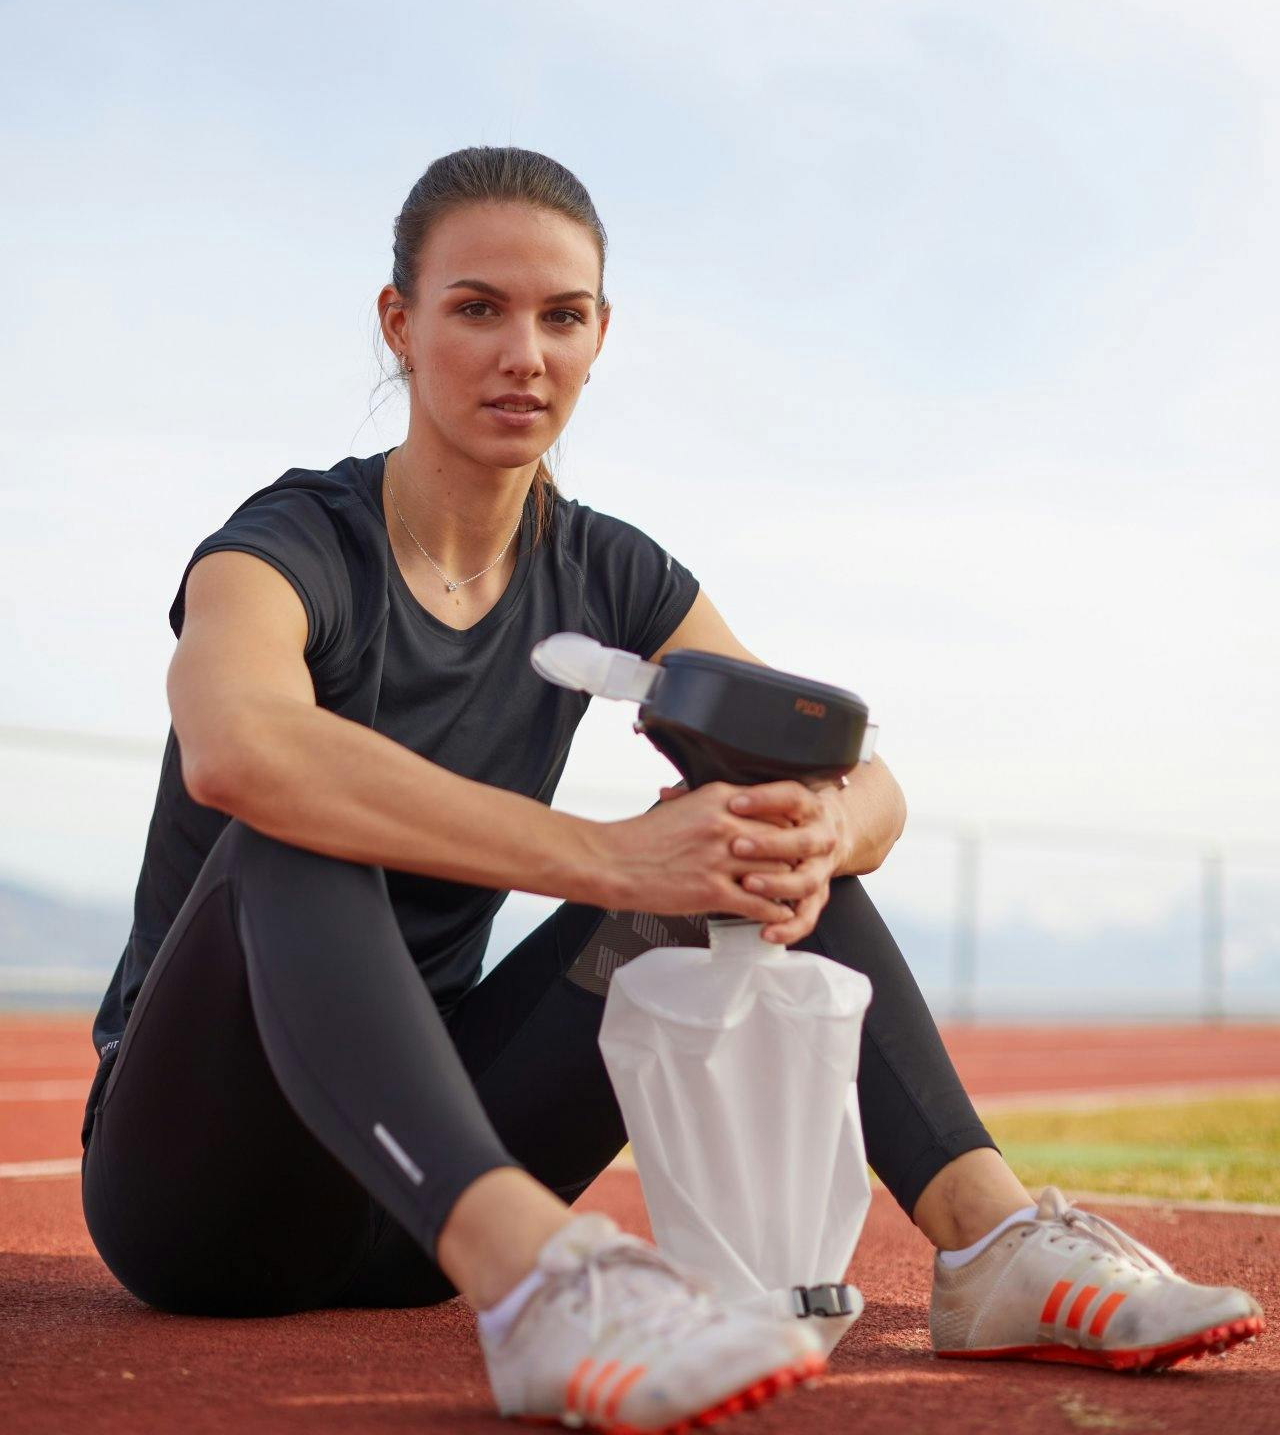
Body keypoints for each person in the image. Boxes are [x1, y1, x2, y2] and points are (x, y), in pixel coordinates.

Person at [80, 148, 1263, 1432]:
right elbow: (240, 747)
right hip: (202, 1188)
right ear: (398, 324)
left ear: (599, 336)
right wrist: (604, 859)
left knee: (751, 835)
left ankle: (988, 1242)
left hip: (429, 1196)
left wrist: (820, 824)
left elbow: (865, 784)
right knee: (286, 828)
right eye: (476, 307)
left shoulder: (607, 569)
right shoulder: (289, 544)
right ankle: (545, 1286)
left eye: (561, 315)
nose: (521, 352)